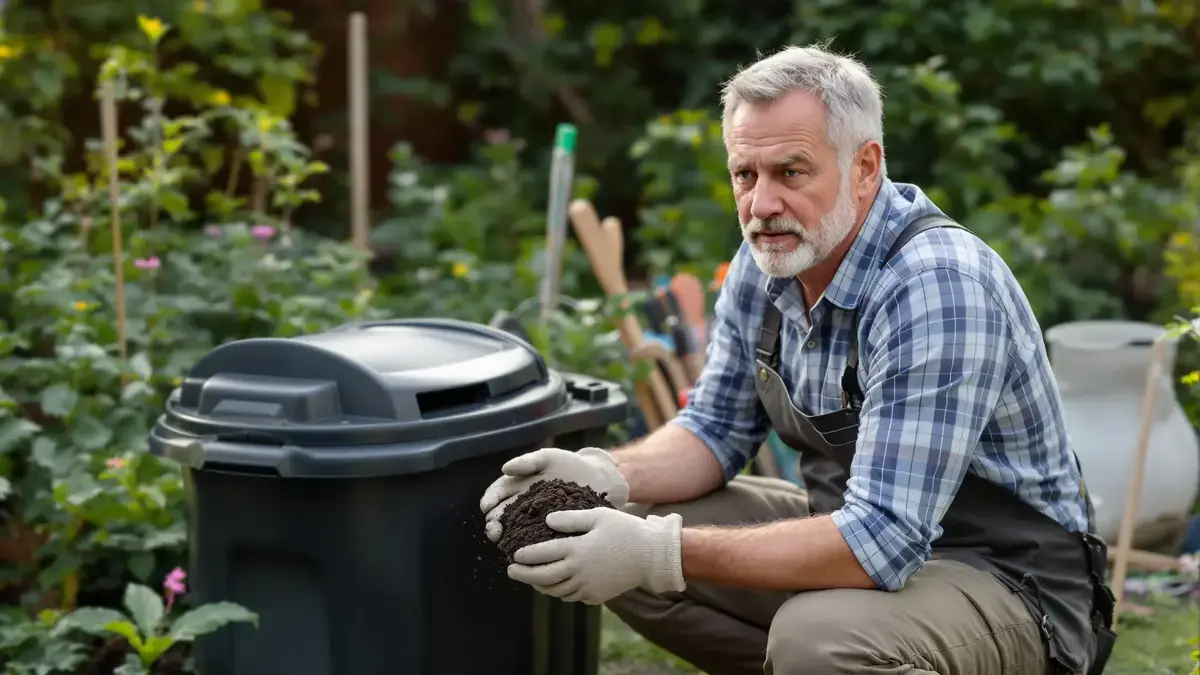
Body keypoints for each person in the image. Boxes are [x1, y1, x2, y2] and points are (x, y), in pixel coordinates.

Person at [480, 44, 1116, 675]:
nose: (760, 206)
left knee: (818, 641)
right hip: (859, 545)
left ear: (865, 166)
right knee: (614, 524)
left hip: (1008, 581)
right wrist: (600, 475)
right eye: (744, 175)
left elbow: (881, 541)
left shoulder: (936, 285)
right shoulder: (769, 268)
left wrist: (660, 552)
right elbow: (714, 430)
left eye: (791, 172)